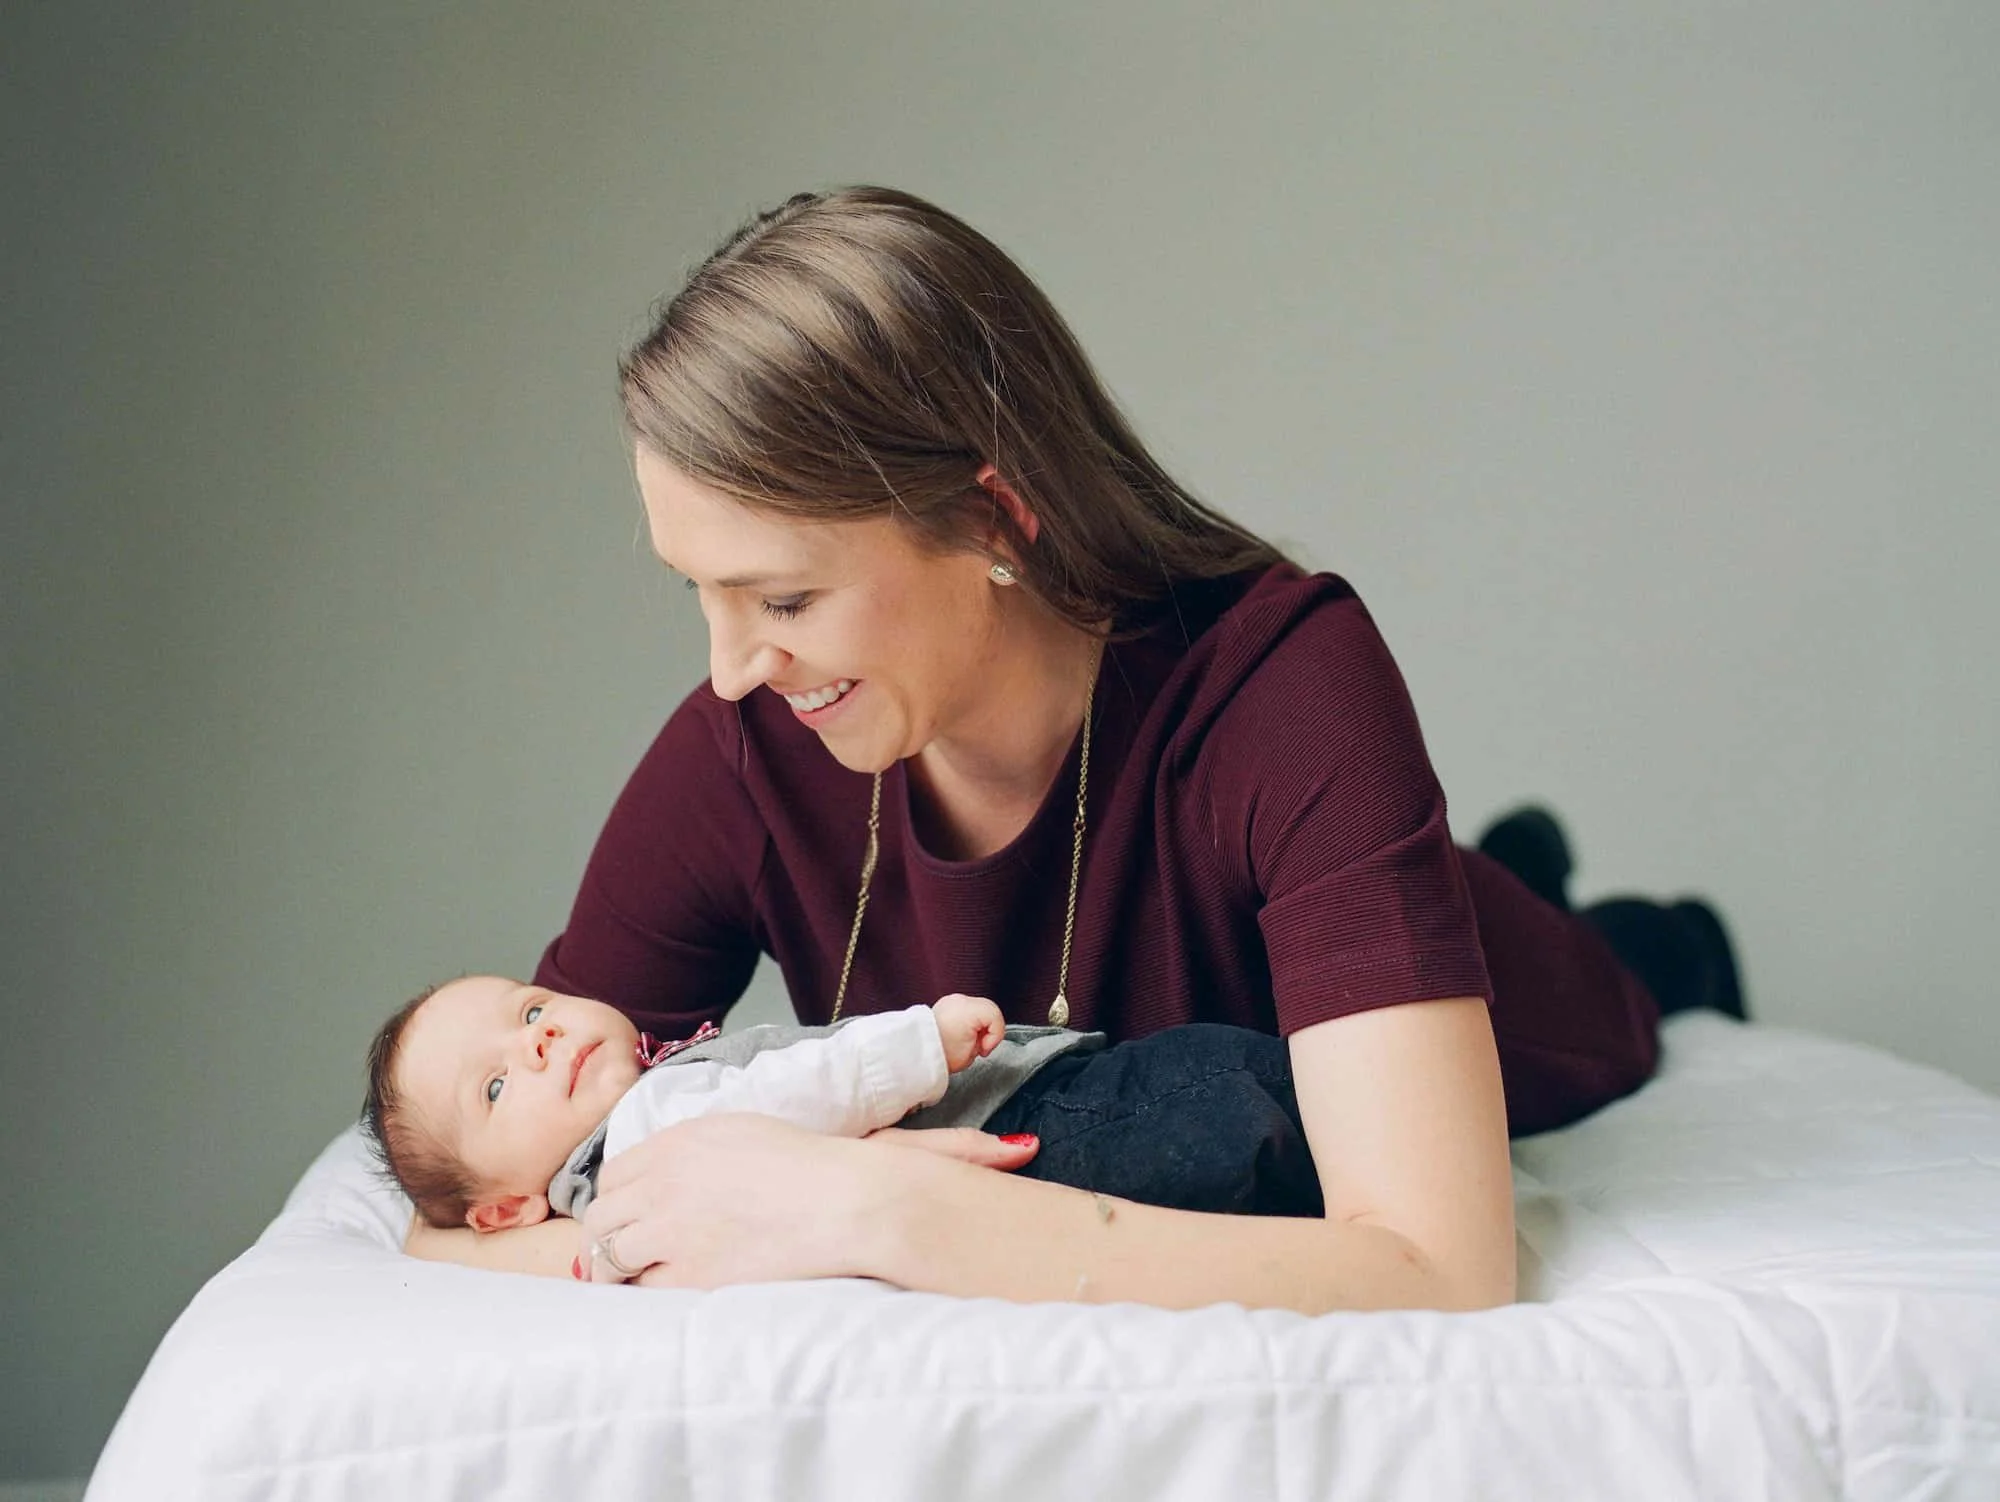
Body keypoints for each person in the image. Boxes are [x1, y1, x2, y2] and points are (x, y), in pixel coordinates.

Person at [404, 185, 1741, 1312]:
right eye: (697, 592)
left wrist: (877, 1214)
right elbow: (462, 1204)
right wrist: (621, 1241)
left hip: (1538, 994)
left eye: (786, 598)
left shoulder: (1287, 683)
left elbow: (1445, 1263)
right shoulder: (749, 741)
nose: (731, 665)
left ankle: (1633, 926)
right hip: (1315, 912)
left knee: (1607, 972)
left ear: (991, 520)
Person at [364, 977, 1322, 1261]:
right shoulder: (651, 1126)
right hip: (1038, 1128)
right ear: (500, 1209)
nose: (536, 1042)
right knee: (1221, 1091)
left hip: (1018, 1158)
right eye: (495, 1088)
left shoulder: (636, 1159)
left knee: (1223, 1121)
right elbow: (799, 1091)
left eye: (530, 1010)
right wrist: (925, 1044)